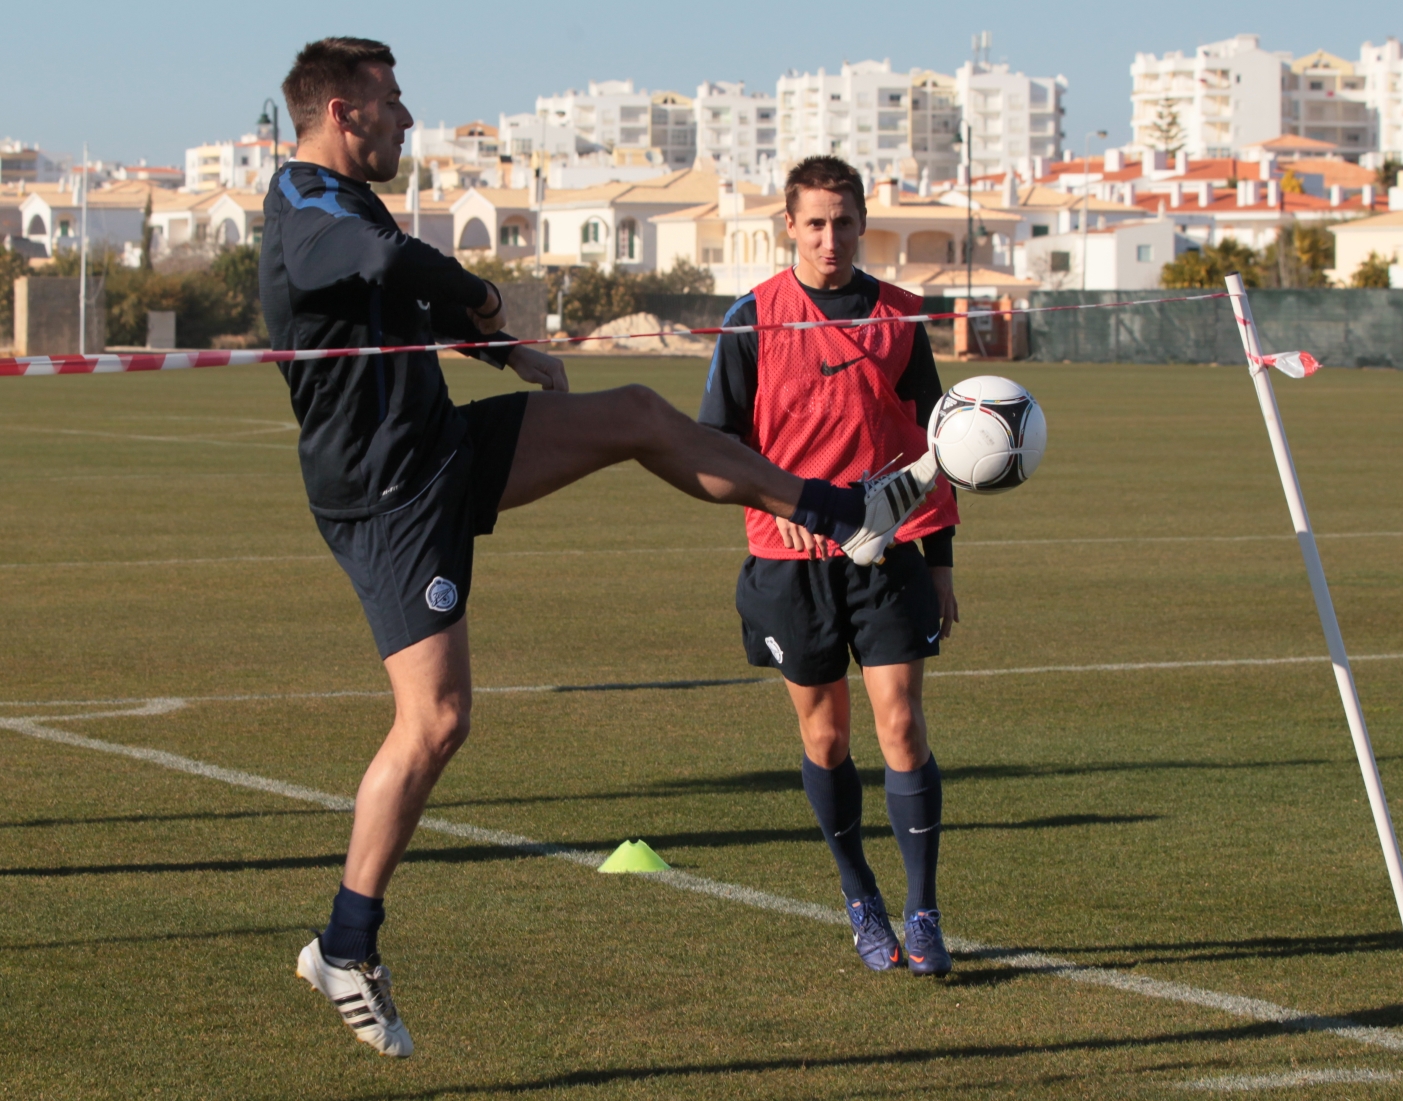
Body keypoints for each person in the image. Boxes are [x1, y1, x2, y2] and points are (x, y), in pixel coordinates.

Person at [262, 39, 941, 1058]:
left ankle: (838, 512)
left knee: (637, 414)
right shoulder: (306, 204)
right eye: (391, 101)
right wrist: (481, 297)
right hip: (390, 497)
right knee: (436, 720)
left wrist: (499, 349)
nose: (406, 117)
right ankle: (345, 946)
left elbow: (393, 303)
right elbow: (383, 267)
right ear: (340, 112)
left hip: (438, 450)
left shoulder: (344, 201)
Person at [698, 156, 959, 978]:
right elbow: (715, 446)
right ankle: (859, 895)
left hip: (888, 553)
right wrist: (782, 504)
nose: (830, 237)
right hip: (790, 563)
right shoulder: (752, 318)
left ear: (862, 223)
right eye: (815, 223)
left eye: (844, 222)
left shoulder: (900, 316)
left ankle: (924, 910)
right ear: (790, 226)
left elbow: (939, 444)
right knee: (827, 734)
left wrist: (941, 562)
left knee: (902, 725)